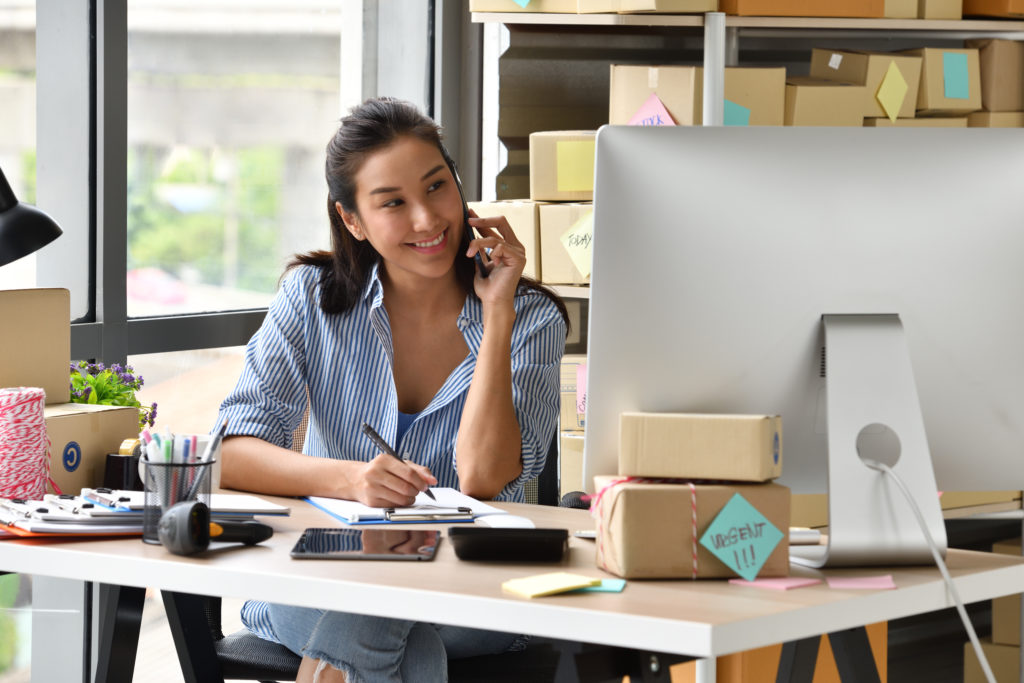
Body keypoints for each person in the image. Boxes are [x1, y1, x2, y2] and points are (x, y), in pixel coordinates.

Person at [215, 96, 569, 683]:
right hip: (330, 573)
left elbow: (483, 477)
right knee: (380, 623)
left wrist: (497, 315)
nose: (427, 220)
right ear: (352, 220)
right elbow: (230, 451)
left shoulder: (528, 317)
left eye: (436, 188)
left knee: (368, 621)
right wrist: (351, 480)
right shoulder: (311, 297)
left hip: (472, 591)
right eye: (393, 204)